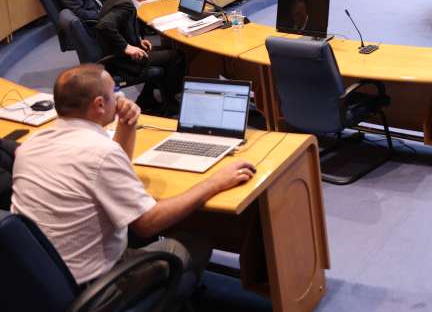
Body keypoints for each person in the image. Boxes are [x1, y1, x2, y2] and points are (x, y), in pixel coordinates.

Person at [11, 64, 255, 290]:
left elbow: (113, 174)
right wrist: (215, 182)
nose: (119, 99)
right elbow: (147, 224)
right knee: (195, 242)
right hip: (93, 284)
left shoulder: (30, 146)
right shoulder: (101, 153)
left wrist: (127, 125)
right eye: (114, 92)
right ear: (99, 104)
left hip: (39, 278)